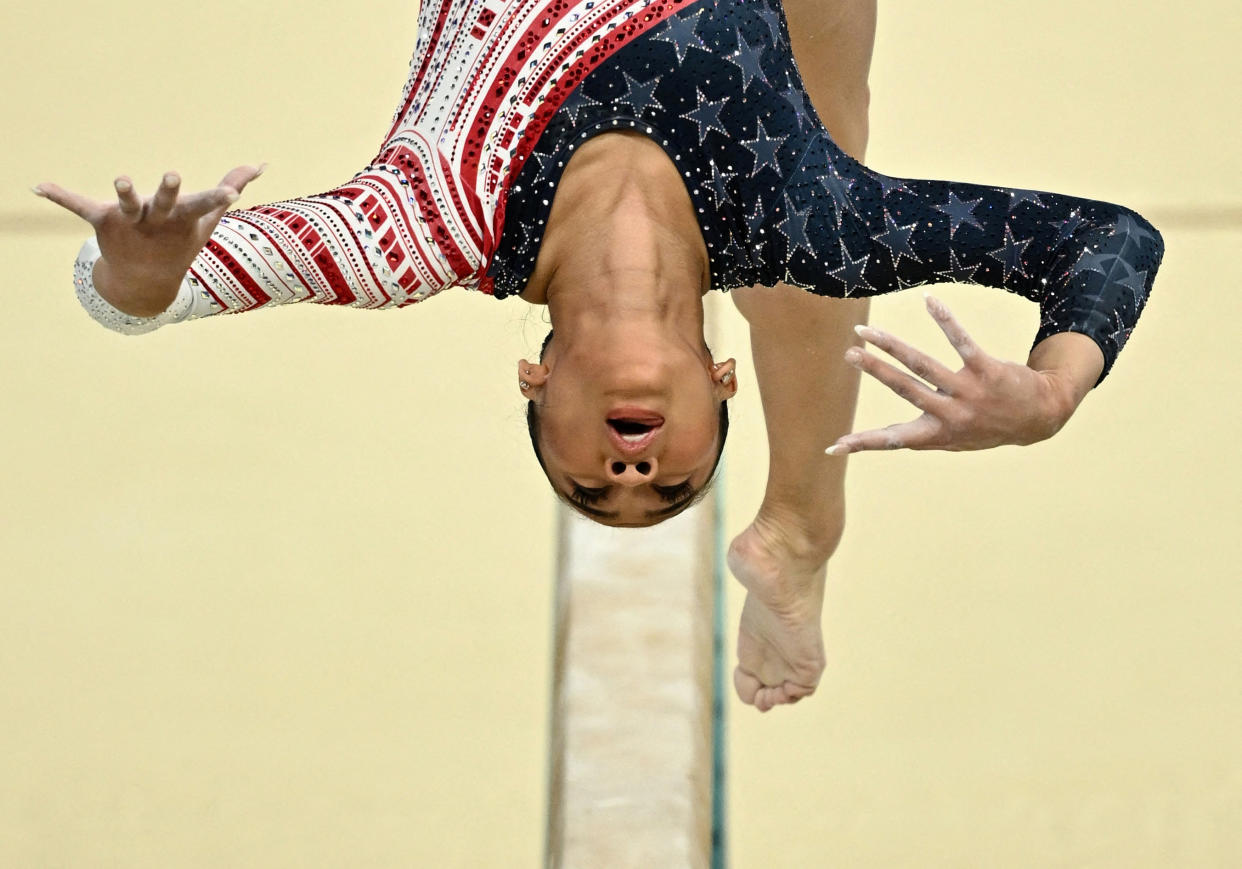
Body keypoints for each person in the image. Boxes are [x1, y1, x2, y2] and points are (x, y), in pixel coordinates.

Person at [35, 0, 1163, 712]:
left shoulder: (428, 225)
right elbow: (1111, 241)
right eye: (671, 482)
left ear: (534, 380)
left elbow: (140, 292)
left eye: (593, 482)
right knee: (832, 176)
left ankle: (802, 527)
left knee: (832, 164)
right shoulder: (803, 215)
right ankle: (804, 525)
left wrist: (139, 270)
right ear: (721, 384)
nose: (632, 474)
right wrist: (1056, 388)